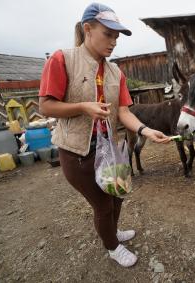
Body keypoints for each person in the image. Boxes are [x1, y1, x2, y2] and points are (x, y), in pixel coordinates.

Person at [38, 3, 170, 267]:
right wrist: (82, 107)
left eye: (116, 37)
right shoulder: (62, 59)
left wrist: (146, 130)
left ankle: (112, 231)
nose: (113, 42)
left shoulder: (115, 72)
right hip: (77, 153)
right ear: (88, 29)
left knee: (117, 194)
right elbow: (45, 106)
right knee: (103, 204)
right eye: (108, 34)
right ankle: (112, 247)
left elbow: (123, 112)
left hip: (109, 148)